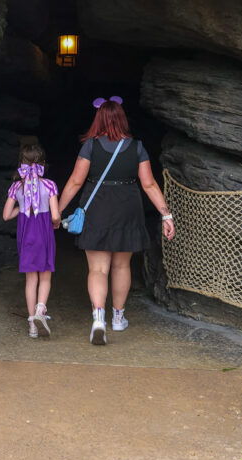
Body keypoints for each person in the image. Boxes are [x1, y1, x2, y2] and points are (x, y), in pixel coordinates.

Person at [58, 96, 175, 345]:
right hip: (127, 207)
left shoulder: (90, 145)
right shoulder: (137, 147)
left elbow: (76, 181)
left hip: (97, 206)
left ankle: (98, 317)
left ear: (98, 118)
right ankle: (118, 318)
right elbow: (149, 184)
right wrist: (166, 214)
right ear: (122, 119)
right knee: (122, 266)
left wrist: (58, 210)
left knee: (98, 269)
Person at [3, 142, 62, 338]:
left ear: (21, 163)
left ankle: (32, 325)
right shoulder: (50, 185)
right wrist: (57, 223)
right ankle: (40, 312)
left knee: (31, 279)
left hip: (26, 233)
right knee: (45, 276)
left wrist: (21, 208)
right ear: (42, 163)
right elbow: (55, 216)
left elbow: (6, 215)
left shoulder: (15, 187)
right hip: (44, 233)